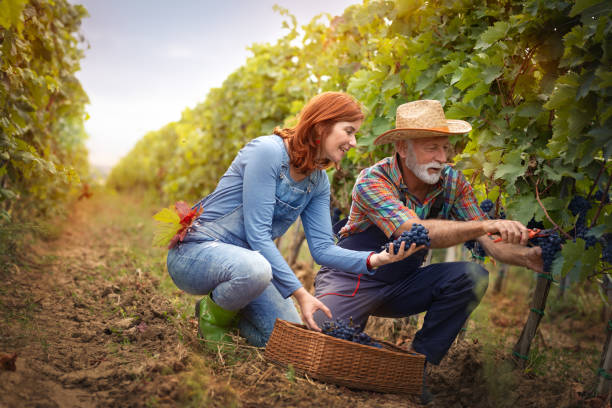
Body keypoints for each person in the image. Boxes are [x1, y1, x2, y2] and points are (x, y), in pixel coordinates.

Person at [312, 99, 543, 402]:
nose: (442, 157)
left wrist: (528, 258)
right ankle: (376, 359)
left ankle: (415, 368)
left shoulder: (453, 184)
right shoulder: (373, 180)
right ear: (404, 149)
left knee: (471, 276)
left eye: (445, 148)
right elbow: (414, 231)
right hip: (352, 278)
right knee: (325, 338)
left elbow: (491, 245)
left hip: (402, 284)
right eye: (431, 148)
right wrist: (485, 226)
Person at [165, 92, 423, 348]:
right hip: (196, 254)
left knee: (290, 344)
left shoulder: (318, 181)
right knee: (256, 269)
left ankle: (227, 313)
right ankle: (213, 317)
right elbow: (258, 236)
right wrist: (301, 294)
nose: (354, 142)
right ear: (322, 126)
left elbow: (322, 249)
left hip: (249, 267)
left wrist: (376, 259)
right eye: (349, 131)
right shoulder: (268, 152)